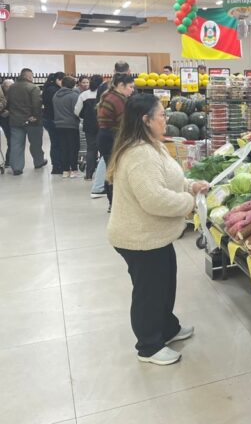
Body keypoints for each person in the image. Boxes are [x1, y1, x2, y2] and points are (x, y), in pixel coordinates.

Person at [107, 93, 209, 365]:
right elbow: (154, 199)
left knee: (165, 284)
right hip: (138, 237)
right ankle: (148, 346)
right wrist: (189, 202)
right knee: (149, 292)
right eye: (161, 115)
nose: (166, 119)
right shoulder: (139, 154)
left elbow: (169, 181)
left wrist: (191, 186)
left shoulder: (152, 145)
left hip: (156, 235)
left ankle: (167, 328)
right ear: (146, 120)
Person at [98, 73, 134, 210]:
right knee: (116, 172)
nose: (132, 90)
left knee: (112, 170)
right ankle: (116, 204)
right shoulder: (117, 100)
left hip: (105, 136)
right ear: (121, 85)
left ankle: (113, 204)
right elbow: (123, 122)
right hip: (112, 138)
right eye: (130, 87)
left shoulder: (109, 95)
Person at [6, 68, 46, 175]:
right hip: (32, 121)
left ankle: (17, 168)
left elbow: (8, 103)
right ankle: (38, 162)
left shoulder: (11, 87)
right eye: (32, 76)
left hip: (15, 120)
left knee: (16, 144)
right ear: (28, 76)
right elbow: (36, 104)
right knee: (36, 143)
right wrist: (35, 116)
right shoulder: (33, 88)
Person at [75, 74, 103, 180]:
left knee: (91, 149)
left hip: (89, 125)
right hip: (103, 125)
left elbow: (77, 111)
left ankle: (89, 175)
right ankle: (102, 176)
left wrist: (85, 116)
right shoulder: (105, 95)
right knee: (104, 151)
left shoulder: (84, 95)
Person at [53, 76, 81, 178]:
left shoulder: (56, 95)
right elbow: (76, 111)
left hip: (59, 125)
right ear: (73, 85)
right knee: (73, 147)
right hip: (71, 125)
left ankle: (65, 170)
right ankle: (73, 169)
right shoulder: (74, 95)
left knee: (63, 147)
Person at [42, 72, 64, 174]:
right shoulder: (54, 90)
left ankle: (56, 165)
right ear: (58, 80)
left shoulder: (48, 88)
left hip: (47, 118)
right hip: (53, 119)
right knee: (57, 143)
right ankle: (57, 166)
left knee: (55, 143)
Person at [0, 78, 11, 166]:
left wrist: (10, 111)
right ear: (3, 86)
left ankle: (8, 161)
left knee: (10, 139)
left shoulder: (12, 94)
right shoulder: (2, 94)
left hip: (7, 118)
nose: (9, 88)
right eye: (7, 87)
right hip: (3, 117)